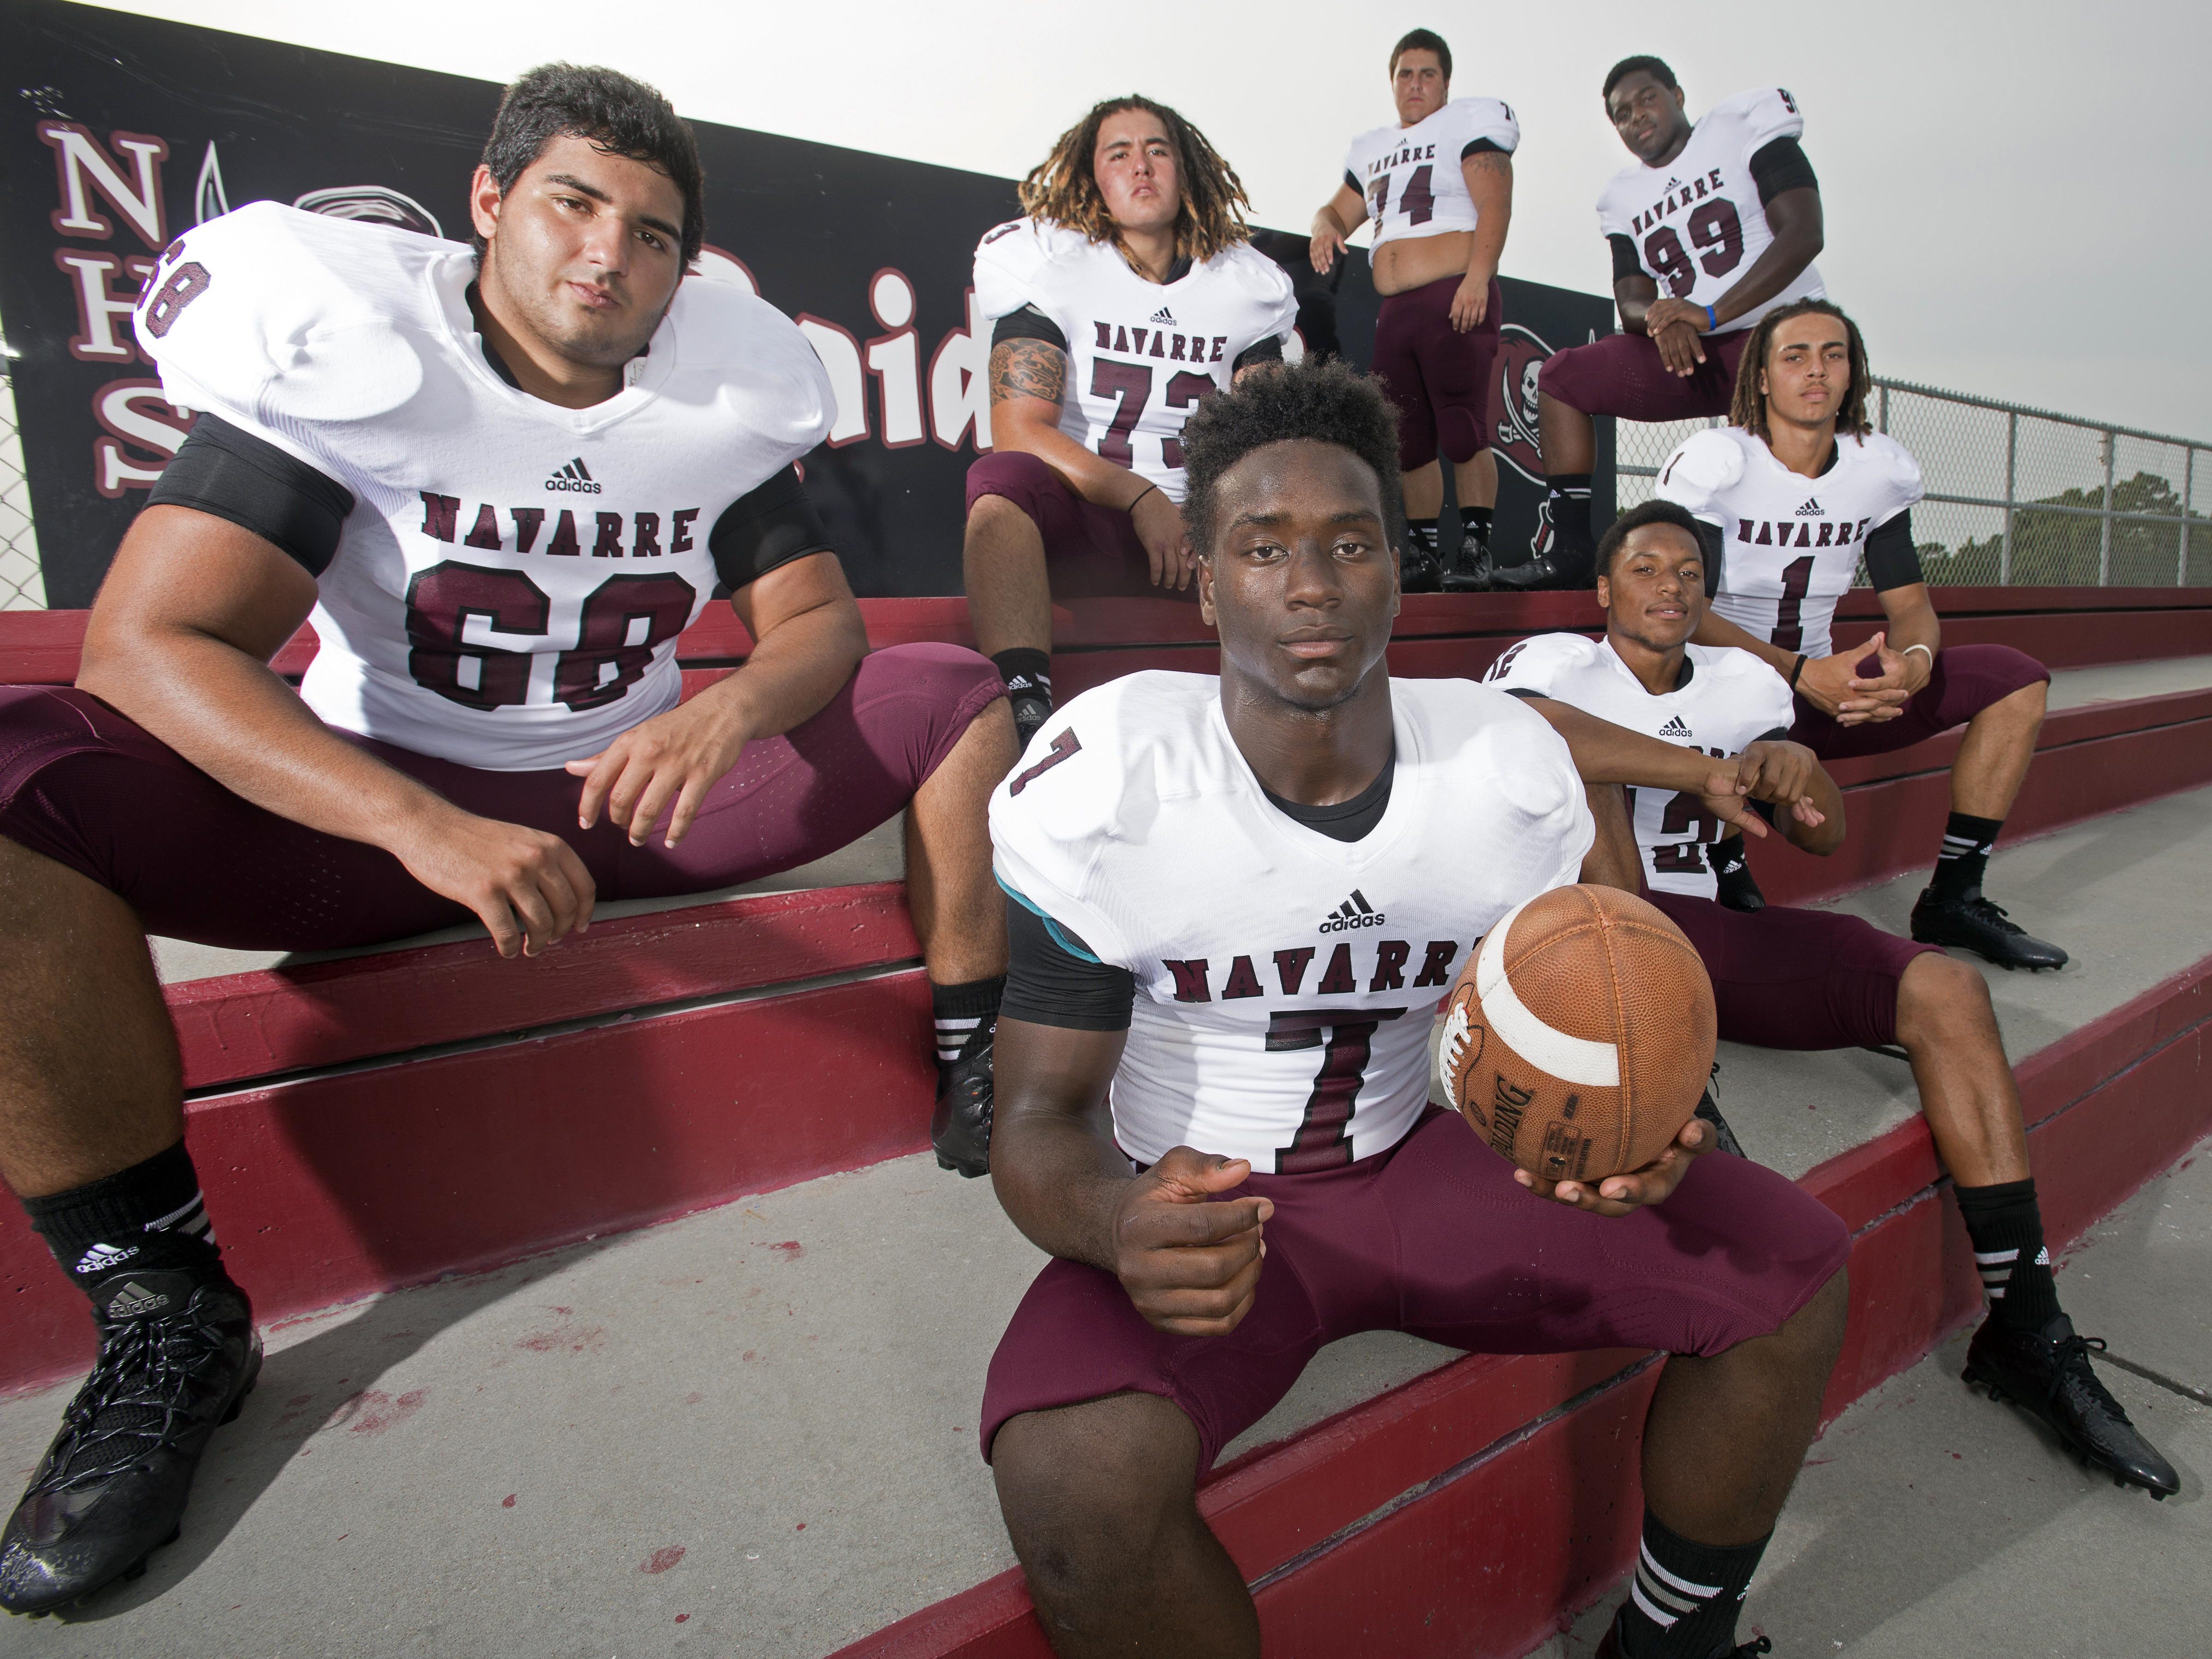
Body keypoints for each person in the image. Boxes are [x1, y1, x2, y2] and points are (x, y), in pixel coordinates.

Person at [0, 66, 1015, 1614]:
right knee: (15, 786)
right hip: (393, 815)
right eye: (574, 203)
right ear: (488, 202)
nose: (612, 254)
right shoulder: (359, 351)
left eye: (656, 232)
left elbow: (820, 626)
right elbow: (147, 650)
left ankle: (975, 1044)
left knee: (951, 691)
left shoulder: (710, 397)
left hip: (636, 796)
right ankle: (162, 1304)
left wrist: (726, 715)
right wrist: (423, 825)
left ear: (690, 268)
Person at [979, 359, 1848, 1659]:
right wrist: (1116, 1219)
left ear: (1401, 565)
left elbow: (1594, 1020)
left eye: (1350, 543)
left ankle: (1673, 1643)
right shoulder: (1111, 782)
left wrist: (1647, 1125)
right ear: (1208, 582)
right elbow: (1037, 1119)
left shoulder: (1505, 769)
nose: (1313, 584)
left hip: (1434, 1156)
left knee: (1794, 1271)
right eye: (1263, 548)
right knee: (1070, 1476)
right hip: (1214, 1202)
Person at [1488, 500, 2177, 1500]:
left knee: (1945, 989)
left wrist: (1796, 767)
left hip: (1713, 933)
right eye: (1644, 568)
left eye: (1688, 573)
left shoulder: (1736, 681)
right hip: (1586, 951)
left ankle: (2027, 1328)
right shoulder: (1553, 662)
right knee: (1583, 773)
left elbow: (1815, 835)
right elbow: (1541, 735)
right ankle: (1667, 1071)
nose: (1669, 586)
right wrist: (1707, 770)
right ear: (1603, 592)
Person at [1654, 299, 2065, 971]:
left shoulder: (1877, 468)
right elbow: (1682, 611)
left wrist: (1915, 662)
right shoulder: (1721, 462)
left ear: (1853, 374)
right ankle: (1722, 858)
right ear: (1761, 377)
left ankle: (1954, 897)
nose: (1816, 370)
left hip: (1818, 691)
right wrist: (1794, 674)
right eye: (1795, 356)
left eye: (1833, 354)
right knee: (1695, 695)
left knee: (2014, 680)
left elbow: (1910, 605)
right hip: (1719, 692)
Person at [961, 96, 1299, 747]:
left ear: (1187, 170)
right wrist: (1141, 499)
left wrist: (1214, 520)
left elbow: (1268, 443)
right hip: (1099, 524)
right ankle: (1023, 712)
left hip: (1209, 541)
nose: (1141, 166)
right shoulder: (1053, 268)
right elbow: (1019, 429)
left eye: (1157, 150)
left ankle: (1291, 722)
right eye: (1119, 153)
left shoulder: (1244, 286)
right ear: (1094, 179)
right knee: (999, 481)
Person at [1504, 56, 1825, 592]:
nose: (1637, 117)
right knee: (1562, 378)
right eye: (1622, 114)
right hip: (1692, 348)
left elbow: (1804, 231)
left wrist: (1709, 312)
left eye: (1647, 98)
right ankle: (1574, 550)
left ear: (1677, 93)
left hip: (1780, 339)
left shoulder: (1742, 124)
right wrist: (1663, 317)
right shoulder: (1622, 197)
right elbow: (1630, 294)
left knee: (1778, 494)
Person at [1309, 27, 1517, 593]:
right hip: (1395, 308)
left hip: (1453, 289)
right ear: (1393, 82)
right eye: (1406, 73)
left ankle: (1475, 547)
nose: (1416, 83)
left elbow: (1496, 198)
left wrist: (1479, 277)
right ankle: (1424, 550)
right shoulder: (1372, 145)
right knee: (1409, 437)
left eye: (1428, 73)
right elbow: (1339, 208)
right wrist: (1325, 224)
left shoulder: (1467, 122)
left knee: (1462, 427)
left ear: (1446, 83)